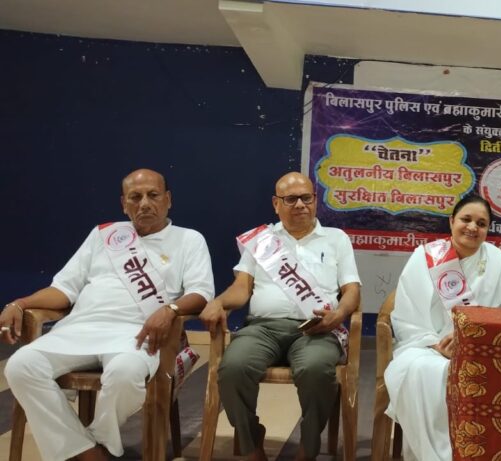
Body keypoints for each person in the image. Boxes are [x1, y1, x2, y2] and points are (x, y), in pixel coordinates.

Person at [1, 169, 215, 461]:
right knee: (20, 366)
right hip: (79, 329)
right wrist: (19, 303)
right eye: (135, 197)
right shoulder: (104, 235)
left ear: (168, 199)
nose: (144, 203)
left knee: (125, 374)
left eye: (153, 195)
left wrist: (170, 309)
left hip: (136, 334)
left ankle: (93, 444)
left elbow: (201, 292)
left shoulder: (189, 239)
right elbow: (64, 288)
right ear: (123, 204)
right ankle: (90, 453)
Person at [199, 172, 361, 461]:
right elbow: (241, 288)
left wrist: (339, 314)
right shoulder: (262, 240)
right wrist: (219, 302)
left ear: (315, 200)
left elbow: (352, 290)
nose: (300, 204)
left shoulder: (336, 239)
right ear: (276, 204)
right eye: (291, 199)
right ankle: (251, 445)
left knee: (316, 370)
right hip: (263, 328)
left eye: (306, 198)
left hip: (317, 329)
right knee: (233, 368)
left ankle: (308, 448)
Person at [384, 194, 501, 461]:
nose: (473, 227)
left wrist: (473, 340)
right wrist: (436, 344)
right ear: (452, 221)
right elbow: (406, 316)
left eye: (481, 223)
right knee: (423, 370)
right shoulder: (424, 258)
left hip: (482, 351)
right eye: (466, 219)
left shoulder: (499, 262)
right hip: (426, 346)